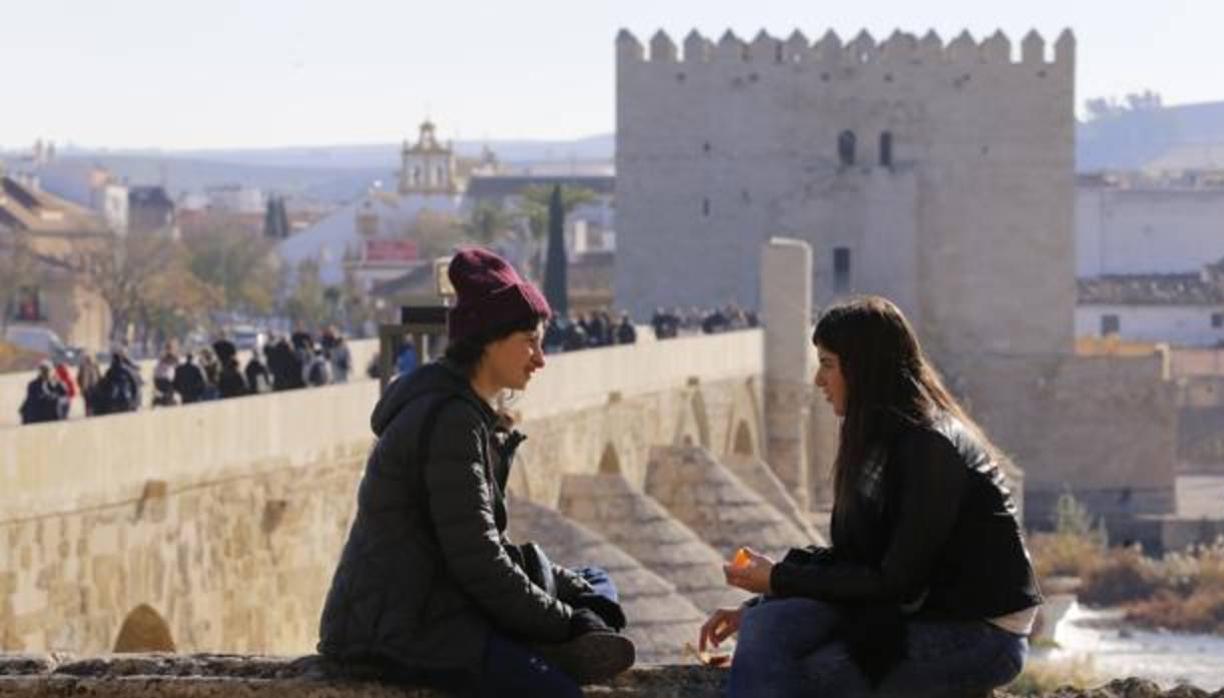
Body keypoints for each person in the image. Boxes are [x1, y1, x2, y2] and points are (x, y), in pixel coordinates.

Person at [319, 247, 634, 697]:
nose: (540, 358)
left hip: (436, 601)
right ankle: (557, 652)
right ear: (488, 339)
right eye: (530, 340)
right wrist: (565, 622)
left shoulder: (465, 412)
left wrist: (569, 600)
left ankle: (562, 643)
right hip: (405, 626)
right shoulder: (452, 421)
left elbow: (480, 541)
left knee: (596, 584)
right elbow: (479, 561)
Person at [701, 296, 1041, 698]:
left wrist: (778, 579)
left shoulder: (929, 446)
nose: (818, 380)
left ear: (864, 370)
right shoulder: (878, 440)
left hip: (982, 633)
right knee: (766, 627)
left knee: (816, 677)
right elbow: (855, 558)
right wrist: (763, 597)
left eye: (828, 364)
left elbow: (895, 580)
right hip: (916, 611)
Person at [19, 360, 68, 425]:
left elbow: (65, 398)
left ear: (51, 371)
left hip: (53, 415)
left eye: (47, 370)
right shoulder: (33, 384)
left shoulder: (57, 383)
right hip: (37, 415)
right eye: (43, 370)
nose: (45, 373)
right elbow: (31, 398)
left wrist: (53, 397)